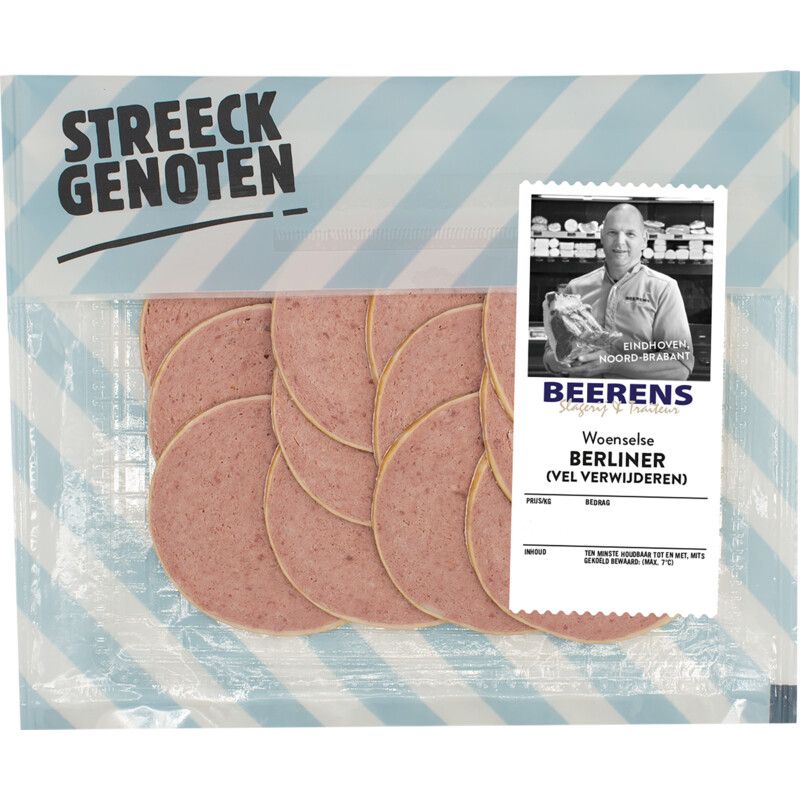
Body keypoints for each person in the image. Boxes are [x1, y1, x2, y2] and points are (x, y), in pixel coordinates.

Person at [542, 203, 695, 380]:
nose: (620, 242)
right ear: (601, 236)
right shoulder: (576, 288)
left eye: (630, 234)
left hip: (636, 398)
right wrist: (565, 359)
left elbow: (680, 365)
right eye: (612, 233)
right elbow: (549, 357)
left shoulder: (664, 288)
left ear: (644, 239)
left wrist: (612, 363)